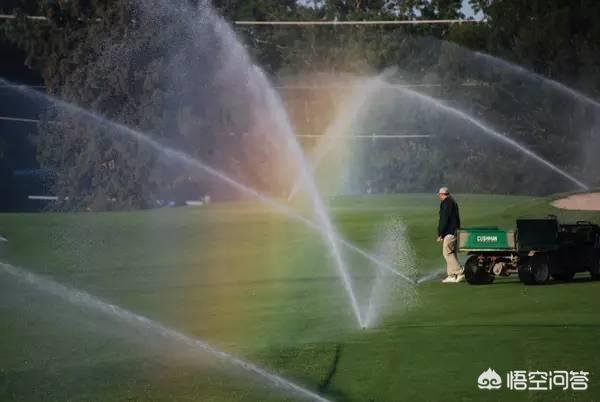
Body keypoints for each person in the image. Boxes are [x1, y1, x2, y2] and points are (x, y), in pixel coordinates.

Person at [437, 187, 464, 283]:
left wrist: (440, 233)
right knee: (451, 253)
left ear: (442, 194)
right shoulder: (452, 202)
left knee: (447, 253)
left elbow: (444, 220)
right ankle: (452, 275)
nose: (439, 196)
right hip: (454, 231)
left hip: (449, 232)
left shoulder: (446, 203)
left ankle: (459, 271)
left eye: (439, 194)